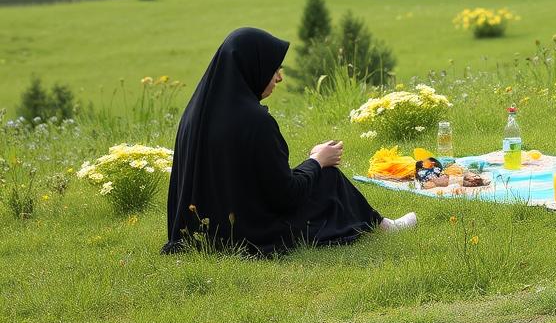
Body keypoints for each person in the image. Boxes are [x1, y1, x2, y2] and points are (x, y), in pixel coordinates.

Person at [163, 27, 416, 255]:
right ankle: (383, 226)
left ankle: (379, 223)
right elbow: (285, 196)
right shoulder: (255, 121)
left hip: (201, 234)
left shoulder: (194, 115)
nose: (279, 77)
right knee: (329, 179)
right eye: (273, 69)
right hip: (248, 234)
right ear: (253, 67)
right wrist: (316, 161)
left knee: (316, 174)